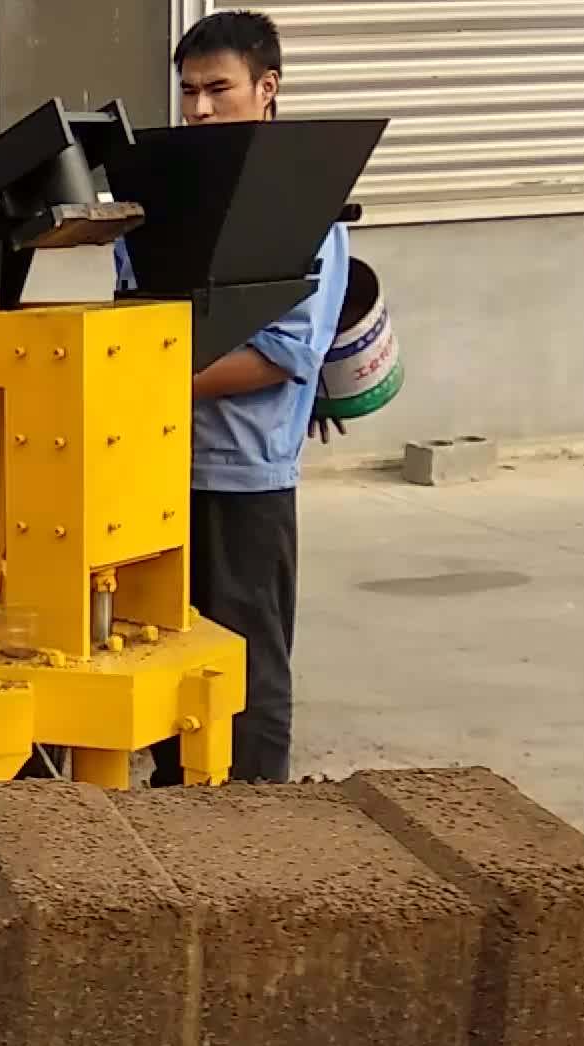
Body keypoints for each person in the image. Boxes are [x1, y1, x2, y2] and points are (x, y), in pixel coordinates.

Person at [138, 10, 350, 785]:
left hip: (243, 477)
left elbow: (283, 354)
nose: (198, 109)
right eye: (188, 91)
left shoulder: (304, 209)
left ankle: (259, 818)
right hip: (157, 471)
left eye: (218, 89)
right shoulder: (168, 202)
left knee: (246, 664)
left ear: (267, 89)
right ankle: (177, 799)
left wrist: (144, 381)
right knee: (161, 651)